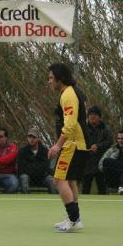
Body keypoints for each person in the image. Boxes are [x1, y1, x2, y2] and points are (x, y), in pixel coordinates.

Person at [47, 63, 89, 232]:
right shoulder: (72, 92)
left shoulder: (68, 95)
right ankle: (75, 218)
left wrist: (57, 146)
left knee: (58, 180)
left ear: (60, 78)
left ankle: (73, 219)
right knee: (70, 180)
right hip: (78, 143)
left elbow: (70, 125)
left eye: (51, 78)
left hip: (72, 144)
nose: (49, 81)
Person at [82, 105, 112, 195]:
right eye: (90, 114)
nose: (92, 116)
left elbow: (109, 142)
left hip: (101, 161)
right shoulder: (83, 128)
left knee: (102, 188)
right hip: (87, 162)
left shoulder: (105, 129)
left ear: (99, 117)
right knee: (85, 188)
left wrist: (98, 146)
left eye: (95, 114)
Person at [17, 128, 56, 194]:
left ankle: (54, 199)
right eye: (29, 137)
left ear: (38, 138)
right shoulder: (22, 151)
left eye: (34, 137)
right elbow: (22, 169)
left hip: (42, 177)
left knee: (51, 180)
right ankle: (25, 199)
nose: (31, 139)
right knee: (24, 177)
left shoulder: (45, 151)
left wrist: (31, 166)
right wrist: (37, 167)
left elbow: (45, 167)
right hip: (29, 177)